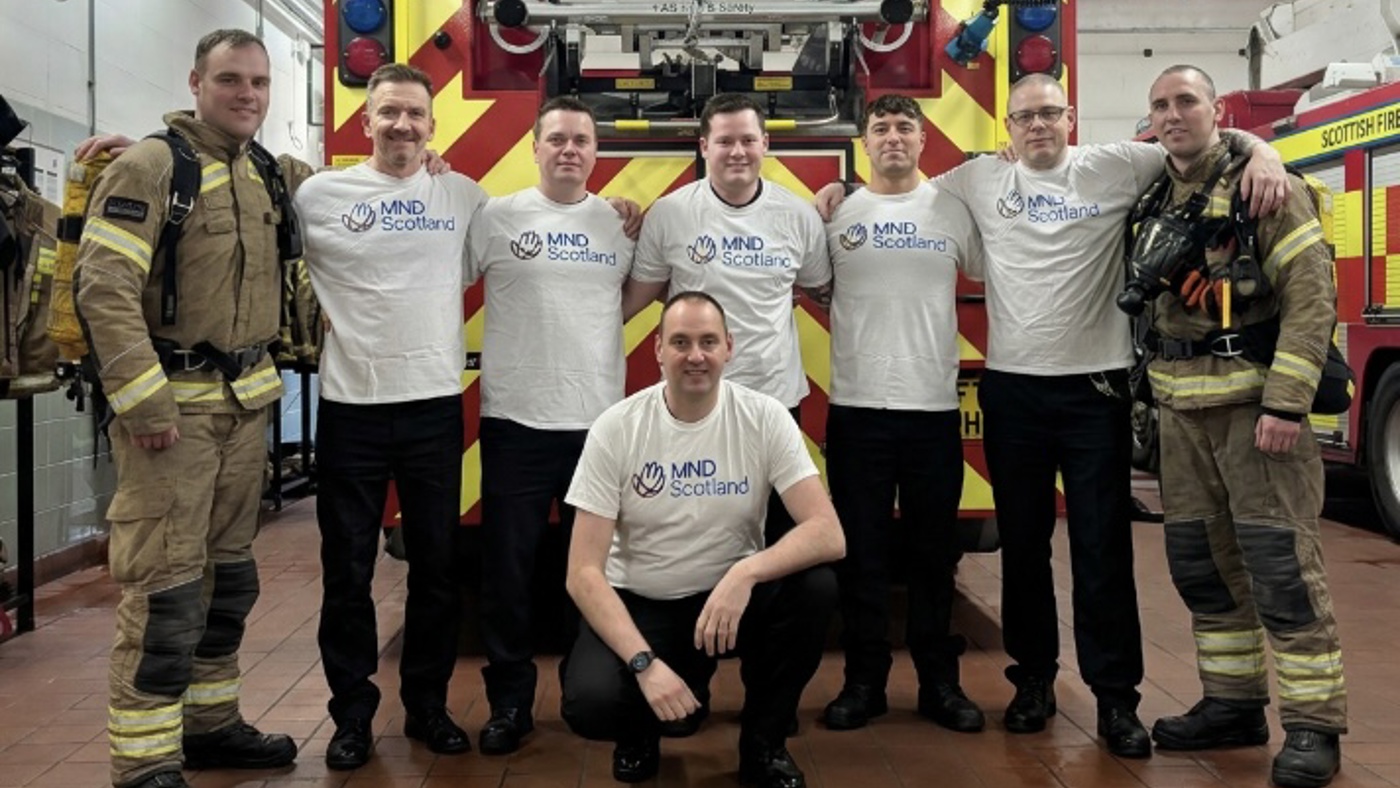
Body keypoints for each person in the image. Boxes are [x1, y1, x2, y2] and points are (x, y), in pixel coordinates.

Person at [814, 73, 1289, 758]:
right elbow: (897, 195)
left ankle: (1115, 700)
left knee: (1103, 549)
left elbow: (1203, 142)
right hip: (1012, 394)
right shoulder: (973, 182)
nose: (1036, 126)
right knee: (1026, 554)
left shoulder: (1117, 164)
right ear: (1005, 128)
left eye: (1047, 114)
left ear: (1071, 116)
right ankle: (1032, 682)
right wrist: (839, 191)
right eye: (1022, 118)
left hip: (1092, 392)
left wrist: (1263, 153)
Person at [74, 29, 312, 788]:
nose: (248, 94)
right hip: (169, 419)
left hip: (244, 410)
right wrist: (143, 404)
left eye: (260, 82)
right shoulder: (153, 165)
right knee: (167, 587)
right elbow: (103, 288)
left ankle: (210, 726)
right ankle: (143, 760)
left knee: (227, 581)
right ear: (197, 82)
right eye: (232, 80)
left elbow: (352, 186)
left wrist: (424, 161)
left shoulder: (269, 173)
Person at [1138, 65, 1346, 788]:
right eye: (1160, 105)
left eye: (1186, 101)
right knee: (1205, 571)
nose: (1172, 115)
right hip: (1181, 417)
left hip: (1256, 418)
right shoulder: (1157, 194)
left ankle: (1315, 725)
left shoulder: (1268, 188)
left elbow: (1313, 299)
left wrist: (1288, 404)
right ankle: (1232, 705)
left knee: (1281, 569)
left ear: (1216, 110)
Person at [560, 292, 844, 787]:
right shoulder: (617, 428)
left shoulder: (764, 416)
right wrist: (644, 665)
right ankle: (639, 732)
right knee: (591, 703)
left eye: (708, 341)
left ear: (729, 348)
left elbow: (828, 533)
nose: (696, 355)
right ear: (658, 350)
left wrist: (745, 571)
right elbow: (583, 573)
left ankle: (763, 745)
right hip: (643, 602)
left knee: (815, 589)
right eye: (681, 342)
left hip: (727, 603)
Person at [292, 63, 488, 770]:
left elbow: (531, 231)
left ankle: (427, 708)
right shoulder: (317, 195)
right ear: (365, 122)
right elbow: (244, 199)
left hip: (434, 409)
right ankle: (351, 717)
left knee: (436, 570)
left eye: (415, 114)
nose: (402, 125)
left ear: (433, 127)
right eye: (389, 113)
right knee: (346, 572)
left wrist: (619, 212)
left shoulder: (462, 194)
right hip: (350, 411)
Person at [621, 94, 830, 732]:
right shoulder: (671, 216)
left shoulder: (798, 217)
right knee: (692, 551)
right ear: (702, 148)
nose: (737, 152)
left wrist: (842, 196)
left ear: (766, 146)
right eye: (724, 141)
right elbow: (631, 301)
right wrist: (607, 220)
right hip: (690, 418)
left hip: (771, 416)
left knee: (780, 566)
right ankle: (693, 682)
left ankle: (769, 707)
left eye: (748, 140)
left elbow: (824, 285)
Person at [467, 96, 636, 755]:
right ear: (534, 148)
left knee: (592, 571)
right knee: (508, 573)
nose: (570, 149)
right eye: (558, 139)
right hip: (515, 423)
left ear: (597, 153)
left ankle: (585, 690)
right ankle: (509, 704)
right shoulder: (496, 218)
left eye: (582, 141)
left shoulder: (620, 224)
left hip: (598, 429)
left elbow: (632, 296)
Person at [818, 94, 987, 735]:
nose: (893, 137)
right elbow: (811, 279)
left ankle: (939, 685)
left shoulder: (951, 211)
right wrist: (825, 197)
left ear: (923, 140)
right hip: (858, 411)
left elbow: (984, 265)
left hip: (932, 411)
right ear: (864, 142)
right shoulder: (837, 214)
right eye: (881, 128)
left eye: (905, 128)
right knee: (860, 557)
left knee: (932, 556)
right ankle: (863, 683)